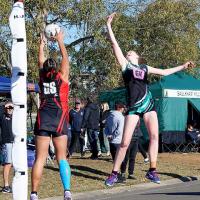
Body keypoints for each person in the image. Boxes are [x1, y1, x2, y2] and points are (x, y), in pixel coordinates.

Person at [105, 12, 195, 186]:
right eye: (128, 52)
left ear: (138, 57)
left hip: (148, 104)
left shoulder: (145, 68)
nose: (129, 52)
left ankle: (152, 171)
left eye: (132, 52)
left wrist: (183, 66)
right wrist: (108, 25)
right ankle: (114, 174)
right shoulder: (125, 66)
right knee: (124, 143)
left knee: (154, 136)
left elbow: (165, 72)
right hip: (133, 106)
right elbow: (115, 44)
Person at [30, 31, 72, 200]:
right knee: (61, 156)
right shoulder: (62, 77)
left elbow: (40, 61)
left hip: (43, 117)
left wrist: (41, 45)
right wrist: (60, 41)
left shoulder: (42, 77)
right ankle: (67, 190)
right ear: (56, 68)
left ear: (45, 69)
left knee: (39, 157)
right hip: (59, 117)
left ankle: (34, 193)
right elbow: (65, 58)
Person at [0, 101, 14, 193]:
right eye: (8, 107)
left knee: (13, 164)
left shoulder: (15, 118)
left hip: (15, 143)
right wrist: (4, 106)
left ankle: (12, 184)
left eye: (11, 108)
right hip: (6, 143)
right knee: (7, 164)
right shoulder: (2, 116)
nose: (9, 109)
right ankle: (6, 186)